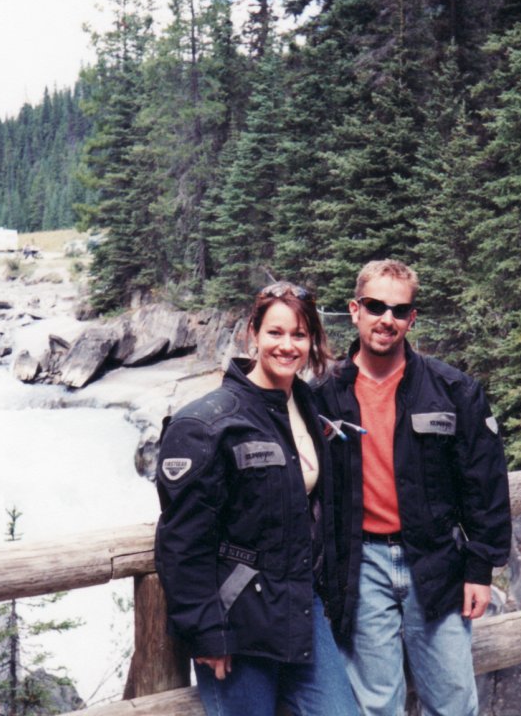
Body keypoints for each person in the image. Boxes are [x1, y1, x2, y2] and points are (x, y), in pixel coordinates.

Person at [313, 260, 512, 716]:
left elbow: (485, 484)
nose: (387, 319)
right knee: (377, 705)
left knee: (454, 702)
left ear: (412, 319)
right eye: (376, 306)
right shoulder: (323, 395)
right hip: (360, 567)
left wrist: (480, 568)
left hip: (437, 561)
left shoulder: (453, 390)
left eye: (399, 311)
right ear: (355, 310)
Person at [153, 282, 359, 716]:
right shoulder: (207, 423)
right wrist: (207, 632)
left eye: (299, 335)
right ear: (253, 334)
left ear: (313, 341)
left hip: (299, 605)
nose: (287, 346)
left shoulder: (305, 405)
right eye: (276, 333)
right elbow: (182, 543)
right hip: (237, 619)